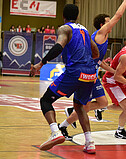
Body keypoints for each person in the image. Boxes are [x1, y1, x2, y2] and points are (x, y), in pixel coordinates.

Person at [30, 4, 99, 153]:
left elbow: (58, 47)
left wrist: (41, 63)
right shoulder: (85, 30)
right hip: (90, 73)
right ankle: (90, 142)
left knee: (46, 100)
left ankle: (55, 132)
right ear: (78, 16)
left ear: (63, 16)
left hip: (75, 71)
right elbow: (96, 52)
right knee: (79, 106)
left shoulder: (64, 29)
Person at [57, 0, 126, 140]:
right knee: (86, 106)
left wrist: (115, 72)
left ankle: (70, 115)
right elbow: (118, 15)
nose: (111, 24)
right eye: (108, 21)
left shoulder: (104, 37)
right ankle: (64, 126)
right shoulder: (100, 34)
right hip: (84, 74)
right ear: (102, 25)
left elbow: (100, 62)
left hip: (92, 74)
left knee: (102, 103)